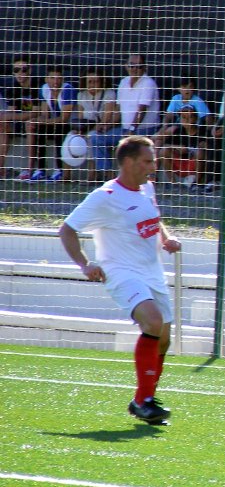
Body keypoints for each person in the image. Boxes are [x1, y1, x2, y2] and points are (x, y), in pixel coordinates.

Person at [58, 135, 182, 424]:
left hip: (152, 271)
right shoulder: (105, 196)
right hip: (120, 271)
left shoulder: (147, 187)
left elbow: (153, 219)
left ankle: (144, 400)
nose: (153, 166)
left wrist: (167, 237)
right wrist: (85, 264)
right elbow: (67, 230)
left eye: (153, 160)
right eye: (147, 161)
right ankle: (144, 400)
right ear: (128, 162)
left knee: (163, 340)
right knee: (153, 321)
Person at [91, 54, 161, 176]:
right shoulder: (123, 82)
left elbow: (142, 110)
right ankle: (109, 177)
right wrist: (107, 125)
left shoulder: (148, 83)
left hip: (145, 130)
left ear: (144, 67)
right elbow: (118, 110)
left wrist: (132, 130)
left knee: (128, 144)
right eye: (131, 65)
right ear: (126, 66)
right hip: (125, 129)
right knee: (95, 137)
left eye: (139, 66)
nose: (134, 69)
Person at [24, 65, 76, 182]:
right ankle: (40, 170)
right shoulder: (44, 89)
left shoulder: (68, 90)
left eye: (58, 78)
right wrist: (37, 121)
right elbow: (45, 114)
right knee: (37, 128)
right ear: (46, 79)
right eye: (52, 78)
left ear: (62, 79)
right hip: (54, 122)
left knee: (59, 129)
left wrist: (44, 121)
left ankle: (59, 170)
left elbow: (64, 118)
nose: (55, 82)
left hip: (70, 125)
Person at [71, 69, 117, 181]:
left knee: (92, 137)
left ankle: (92, 174)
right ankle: (65, 175)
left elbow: (107, 116)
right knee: (71, 137)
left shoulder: (109, 93)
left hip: (104, 127)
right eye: (89, 81)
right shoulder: (81, 95)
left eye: (96, 81)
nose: (92, 84)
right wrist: (80, 130)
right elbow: (80, 116)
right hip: (86, 126)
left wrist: (95, 128)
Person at [2, 55, 38, 176]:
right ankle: (1, 168)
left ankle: (29, 169)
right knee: (3, 125)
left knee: (30, 124)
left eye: (23, 69)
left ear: (30, 70)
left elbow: (36, 112)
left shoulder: (36, 85)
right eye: (16, 70)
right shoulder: (12, 88)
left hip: (37, 121)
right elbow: (11, 113)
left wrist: (10, 116)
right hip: (19, 122)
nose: (20, 73)